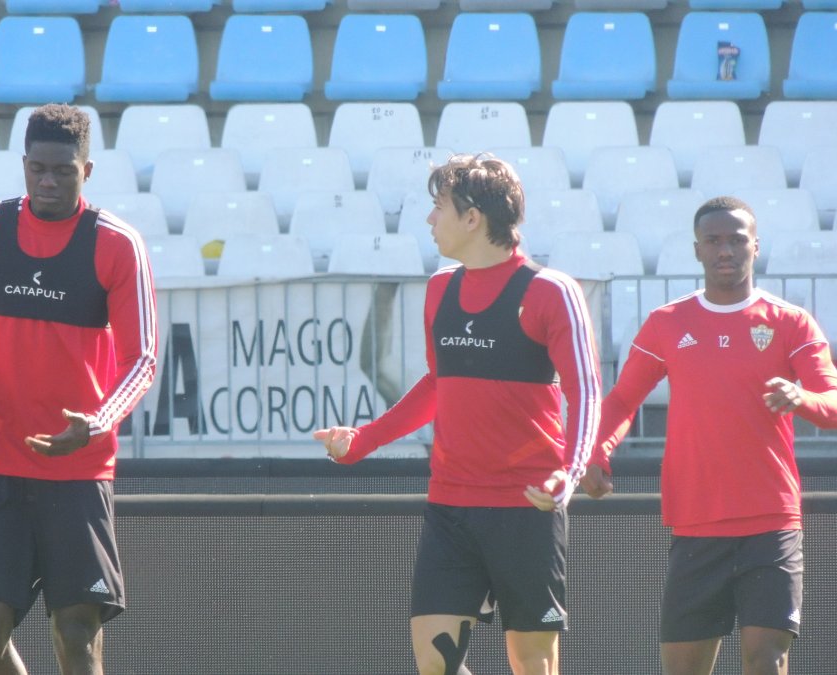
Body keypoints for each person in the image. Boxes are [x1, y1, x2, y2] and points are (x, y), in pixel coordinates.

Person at [314, 153, 602, 675]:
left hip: (527, 508)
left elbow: (586, 391)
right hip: (450, 505)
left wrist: (570, 474)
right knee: (434, 663)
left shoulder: (551, 291)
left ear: (473, 218)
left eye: (438, 207)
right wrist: (362, 440)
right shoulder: (439, 288)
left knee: (533, 663)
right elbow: (437, 385)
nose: (429, 220)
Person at [0, 104, 158, 675]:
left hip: (79, 469)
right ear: (23, 165)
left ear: (89, 170)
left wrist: (99, 422)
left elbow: (143, 358)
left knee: (77, 634)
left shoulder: (116, 243)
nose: (49, 181)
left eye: (64, 170)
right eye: (37, 168)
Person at [582, 196, 837, 675]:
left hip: (770, 522)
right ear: (697, 250)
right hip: (697, 524)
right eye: (714, 241)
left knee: (767, 662)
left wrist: (801, 398)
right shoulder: (667, 323)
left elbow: (833, 402)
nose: (726, 250)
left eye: (736, 240)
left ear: (755, 246)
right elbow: (621, 400)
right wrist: (599, 453)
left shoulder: (790, 322)